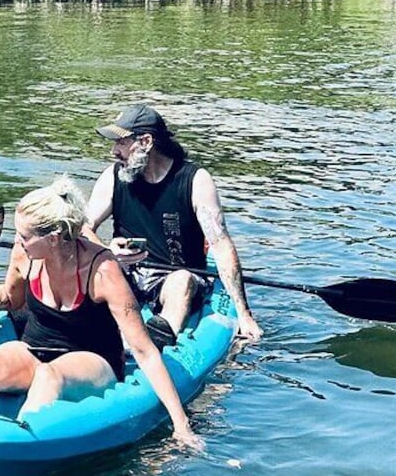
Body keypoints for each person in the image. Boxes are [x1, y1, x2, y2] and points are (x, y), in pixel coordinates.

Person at [0, 177, 203, 448]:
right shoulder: (24, 255)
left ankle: (18, 448)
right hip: (36, 348)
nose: (18, 242)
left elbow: (145, 352)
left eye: (25, 236)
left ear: (55, 238)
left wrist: (181, 424)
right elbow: (9, 299)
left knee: (51, 375)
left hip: (95, 361)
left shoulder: (102, 270)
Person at [85, 104, 263, 346]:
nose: (114, 151)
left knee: (182, 280)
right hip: (126, 273)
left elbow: (220, 246)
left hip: (176, 278)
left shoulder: (195, 180)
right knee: (97, 268)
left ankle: (157, 343)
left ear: (146, 141)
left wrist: (244, 314)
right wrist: (107, 252)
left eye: (121, 143)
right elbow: (84, 228)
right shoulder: (113, 176)